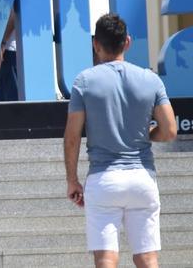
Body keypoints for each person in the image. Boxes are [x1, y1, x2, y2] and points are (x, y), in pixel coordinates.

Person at [64, 14, 177, 268]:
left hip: (104, 179)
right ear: (127, 42)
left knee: (106, 258)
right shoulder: (151, 80)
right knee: (147, 258)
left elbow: (72, 137)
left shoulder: (84, 81)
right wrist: (147, 135)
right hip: (142, 177)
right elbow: (170, 130)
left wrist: (72, 179)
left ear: (96, 44)